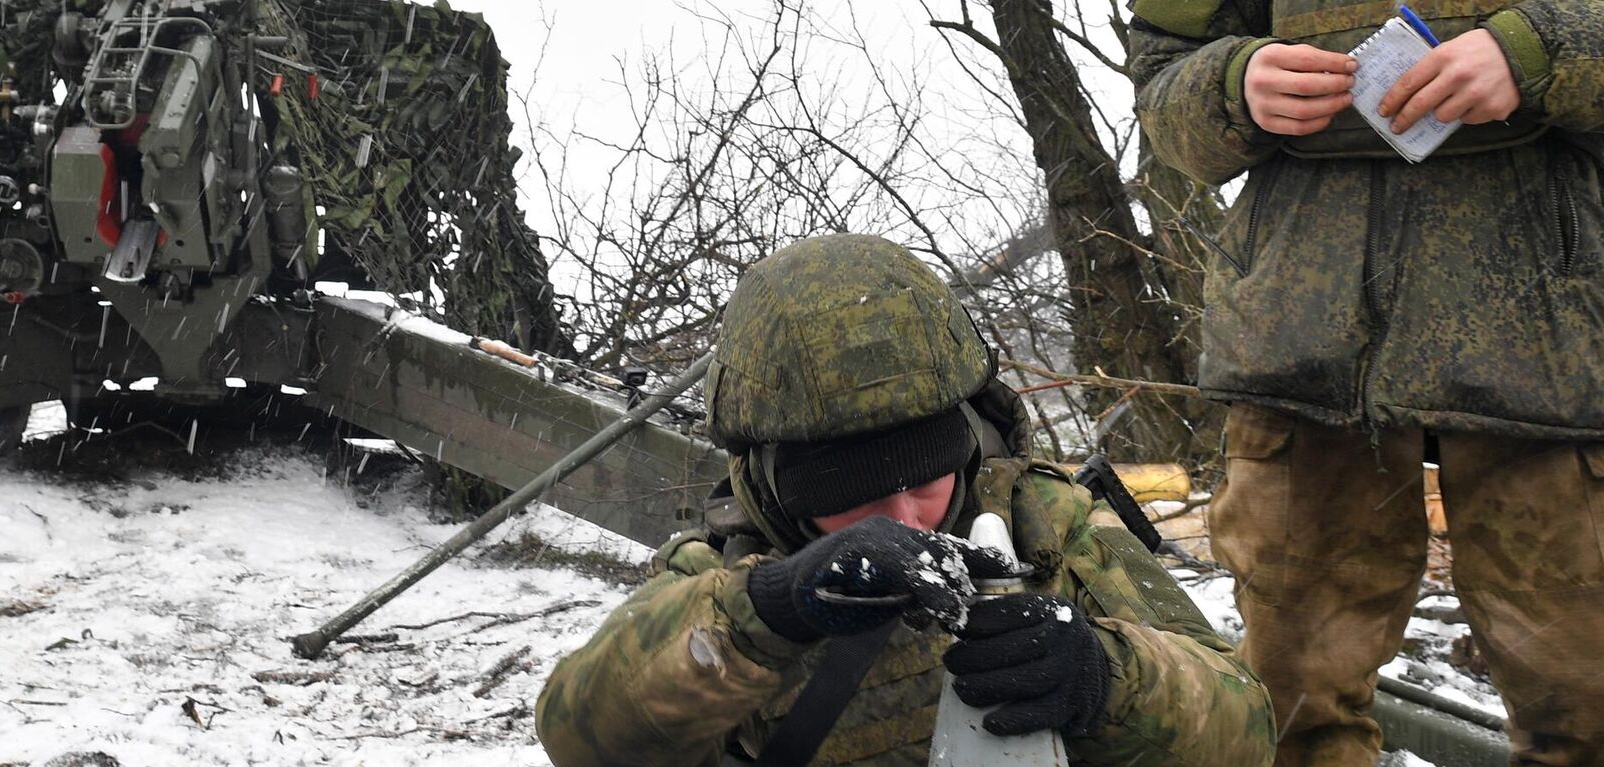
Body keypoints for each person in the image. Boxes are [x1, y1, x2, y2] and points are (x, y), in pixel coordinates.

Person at [1126, 1, 1604, 764]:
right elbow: (1164, 82)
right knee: (1291, 714)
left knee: (1593, 713)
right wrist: (1233, 86)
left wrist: (1538, 53)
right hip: (1303, 343)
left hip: (1549, 339)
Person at [534, 234, 1277, 766]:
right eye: (851, 499)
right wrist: (771, 609)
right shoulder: (728, 580)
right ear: (780, 490)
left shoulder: (1049, 524)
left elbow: (1246, 729)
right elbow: (580, 735)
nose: (902, 520)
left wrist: (1104, 677)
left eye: (925, 480)